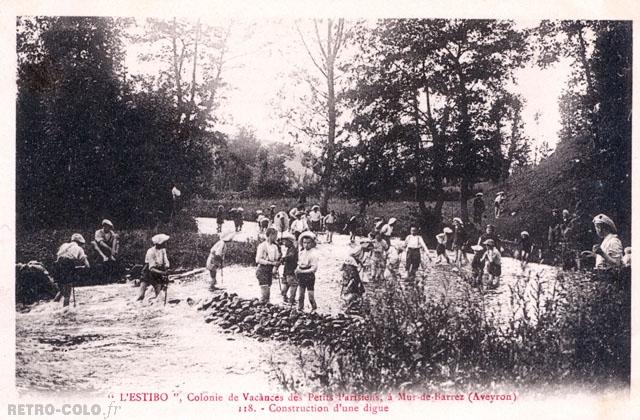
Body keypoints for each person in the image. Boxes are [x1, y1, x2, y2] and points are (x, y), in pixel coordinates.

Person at [54, 233, 90, 307]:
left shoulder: (64, 245)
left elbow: (58, 257)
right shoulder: (79, 248)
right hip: (67, 265)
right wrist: (80, 268)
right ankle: (65, 311)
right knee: (67, 294)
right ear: (80, 243)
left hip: (57, 266)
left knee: (61, 291)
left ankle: (52, 307)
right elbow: (87, 265)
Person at [138, 234, 170, 301]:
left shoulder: (163, 250)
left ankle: (154, 304)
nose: (166, 244)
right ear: (159, 243)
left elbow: (166, 261)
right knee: (141, 296)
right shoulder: (150, 252)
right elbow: (151, 268)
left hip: (158, 273)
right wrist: (163, 273)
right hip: (147, 273)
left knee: (159, 296)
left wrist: (166, 268)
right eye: (164, 242)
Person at [341, 241, 370, 312]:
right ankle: (349, 297)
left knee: (354, 281)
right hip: (350, 265)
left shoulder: (362, 251)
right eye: (368, 249)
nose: (368, 251)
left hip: (351, 265)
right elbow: (352, 255)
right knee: (354, 281)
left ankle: (351, 296)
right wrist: (360, 262)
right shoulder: (358, 249)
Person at [255, 227, 281, 303]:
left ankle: (266, 307)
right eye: (275, 236)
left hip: (270, 270)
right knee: (265, 292)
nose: (276, 237)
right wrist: (271, 263)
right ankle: (262, 307)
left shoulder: (275, 246)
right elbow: (258, 260)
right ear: (270, 235)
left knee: (268, 293)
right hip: (262, 270)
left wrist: (278, 261)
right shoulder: (262, 246)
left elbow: (276, 259)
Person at [296, 231, 319, 311]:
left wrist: (302, 271)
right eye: (304, 243)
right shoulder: (301, 252)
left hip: (309, 275)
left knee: (310, 296)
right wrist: (298, 269)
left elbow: (314, 269)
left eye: (308, 243)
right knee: (300, 295)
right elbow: (299, 263)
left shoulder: (314, 254)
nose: (306, 245)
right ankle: (300, 309)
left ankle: (314, 309)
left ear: (312, 243)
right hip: (301, 274)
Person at [279, 232, 298, 305]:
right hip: (290, 270)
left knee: (287, 284)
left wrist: (283, 259)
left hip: (289, 270)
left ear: (290, 241)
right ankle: (291, 300)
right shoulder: (292, 249)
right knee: (293, 285)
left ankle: (285, 298)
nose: (284, 243)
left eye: (285, 241)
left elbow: (290, 257)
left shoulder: (293, 249)